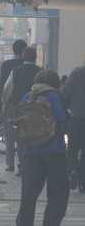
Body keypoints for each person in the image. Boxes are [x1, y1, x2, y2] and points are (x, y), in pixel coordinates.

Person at [16, 70, 69, 226]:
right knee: (57, 194)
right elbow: (62, 121)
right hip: (55, 152)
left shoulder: (27, 97)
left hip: (30, 152)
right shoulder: (54, 96)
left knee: (28, 196)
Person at [3, 46, 41, 174]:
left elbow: (7, 89)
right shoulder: (40, 72)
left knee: (15, 136)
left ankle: (13, 164)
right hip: (35, 108)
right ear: (35, 58)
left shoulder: (15, 71)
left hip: (17, 107)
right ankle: (26, 164)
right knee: (31, 137)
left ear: (23, 57)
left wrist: (6, 105)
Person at [0, 39, 27, 173]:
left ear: (14, 50)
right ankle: (22, 163)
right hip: (27, 106)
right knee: (23, 136)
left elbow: (3, 87)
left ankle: (10, 164)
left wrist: (0, 105)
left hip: (10, 105)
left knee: (9, 136)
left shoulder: (6, 65)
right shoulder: (29, 66)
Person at [63, 63, 85, 192]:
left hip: (76, 119)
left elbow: (65, 94)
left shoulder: (76, 73)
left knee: (72, 149)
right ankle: (83, 181)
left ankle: (72, 170)